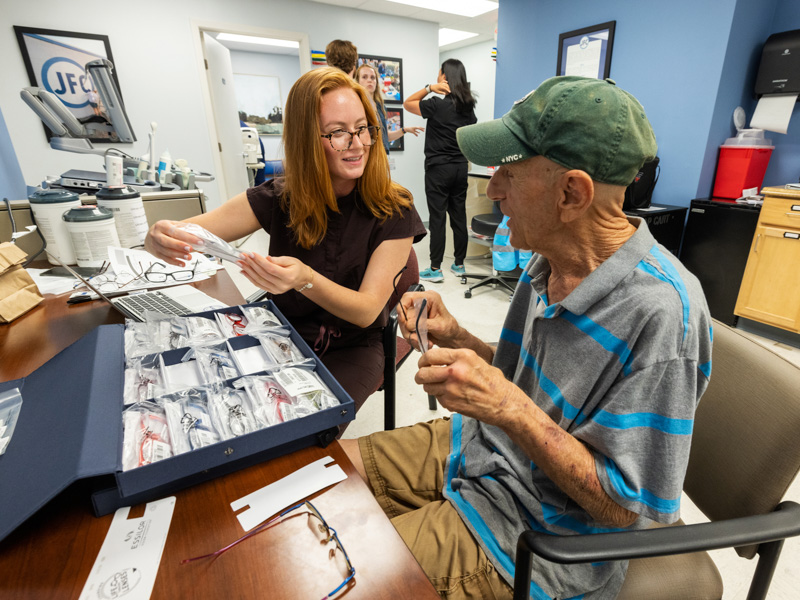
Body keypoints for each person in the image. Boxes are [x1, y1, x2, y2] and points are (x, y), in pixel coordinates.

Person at [341, 76, 713, 599]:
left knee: (340, 577)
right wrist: (459, 336)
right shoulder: (549, 256)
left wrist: (509, 408)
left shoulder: (662, 315)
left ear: (572, 193)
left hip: (533, 535)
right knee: (329, 478)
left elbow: (622, 507)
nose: (492, 190)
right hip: (481, 449)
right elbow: (526, 382)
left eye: (508, 174)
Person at [144, 67, 426, 414]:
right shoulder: (279, 196)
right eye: (338, 132)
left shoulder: (393, 207)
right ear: (307, 140)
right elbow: (189, 231)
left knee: (303, 432)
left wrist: (306, 279)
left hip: (354, 347)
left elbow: (367, 311)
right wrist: (158, 235)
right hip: (282, 335)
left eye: (362, 128)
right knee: (223, 407)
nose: (356, 144)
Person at [404, 58, 477, 283]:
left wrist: (428, 88)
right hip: (460, 168)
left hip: (438, 169)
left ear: (444, 77)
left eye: (439, 74)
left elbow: (408, 103)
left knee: (437, 219)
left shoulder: (436, 104)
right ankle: (459, 264)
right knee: (458, 217)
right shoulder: (468, 109)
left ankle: (435, 269)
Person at [355, 64, 423, 155]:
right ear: (357, 81)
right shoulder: (355, 105)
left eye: (372, 77)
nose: (369, 80)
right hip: (364, 155)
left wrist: (405, 130)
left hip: (381, 155)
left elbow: (385, 136)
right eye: (364, 77)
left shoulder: (381, 107)